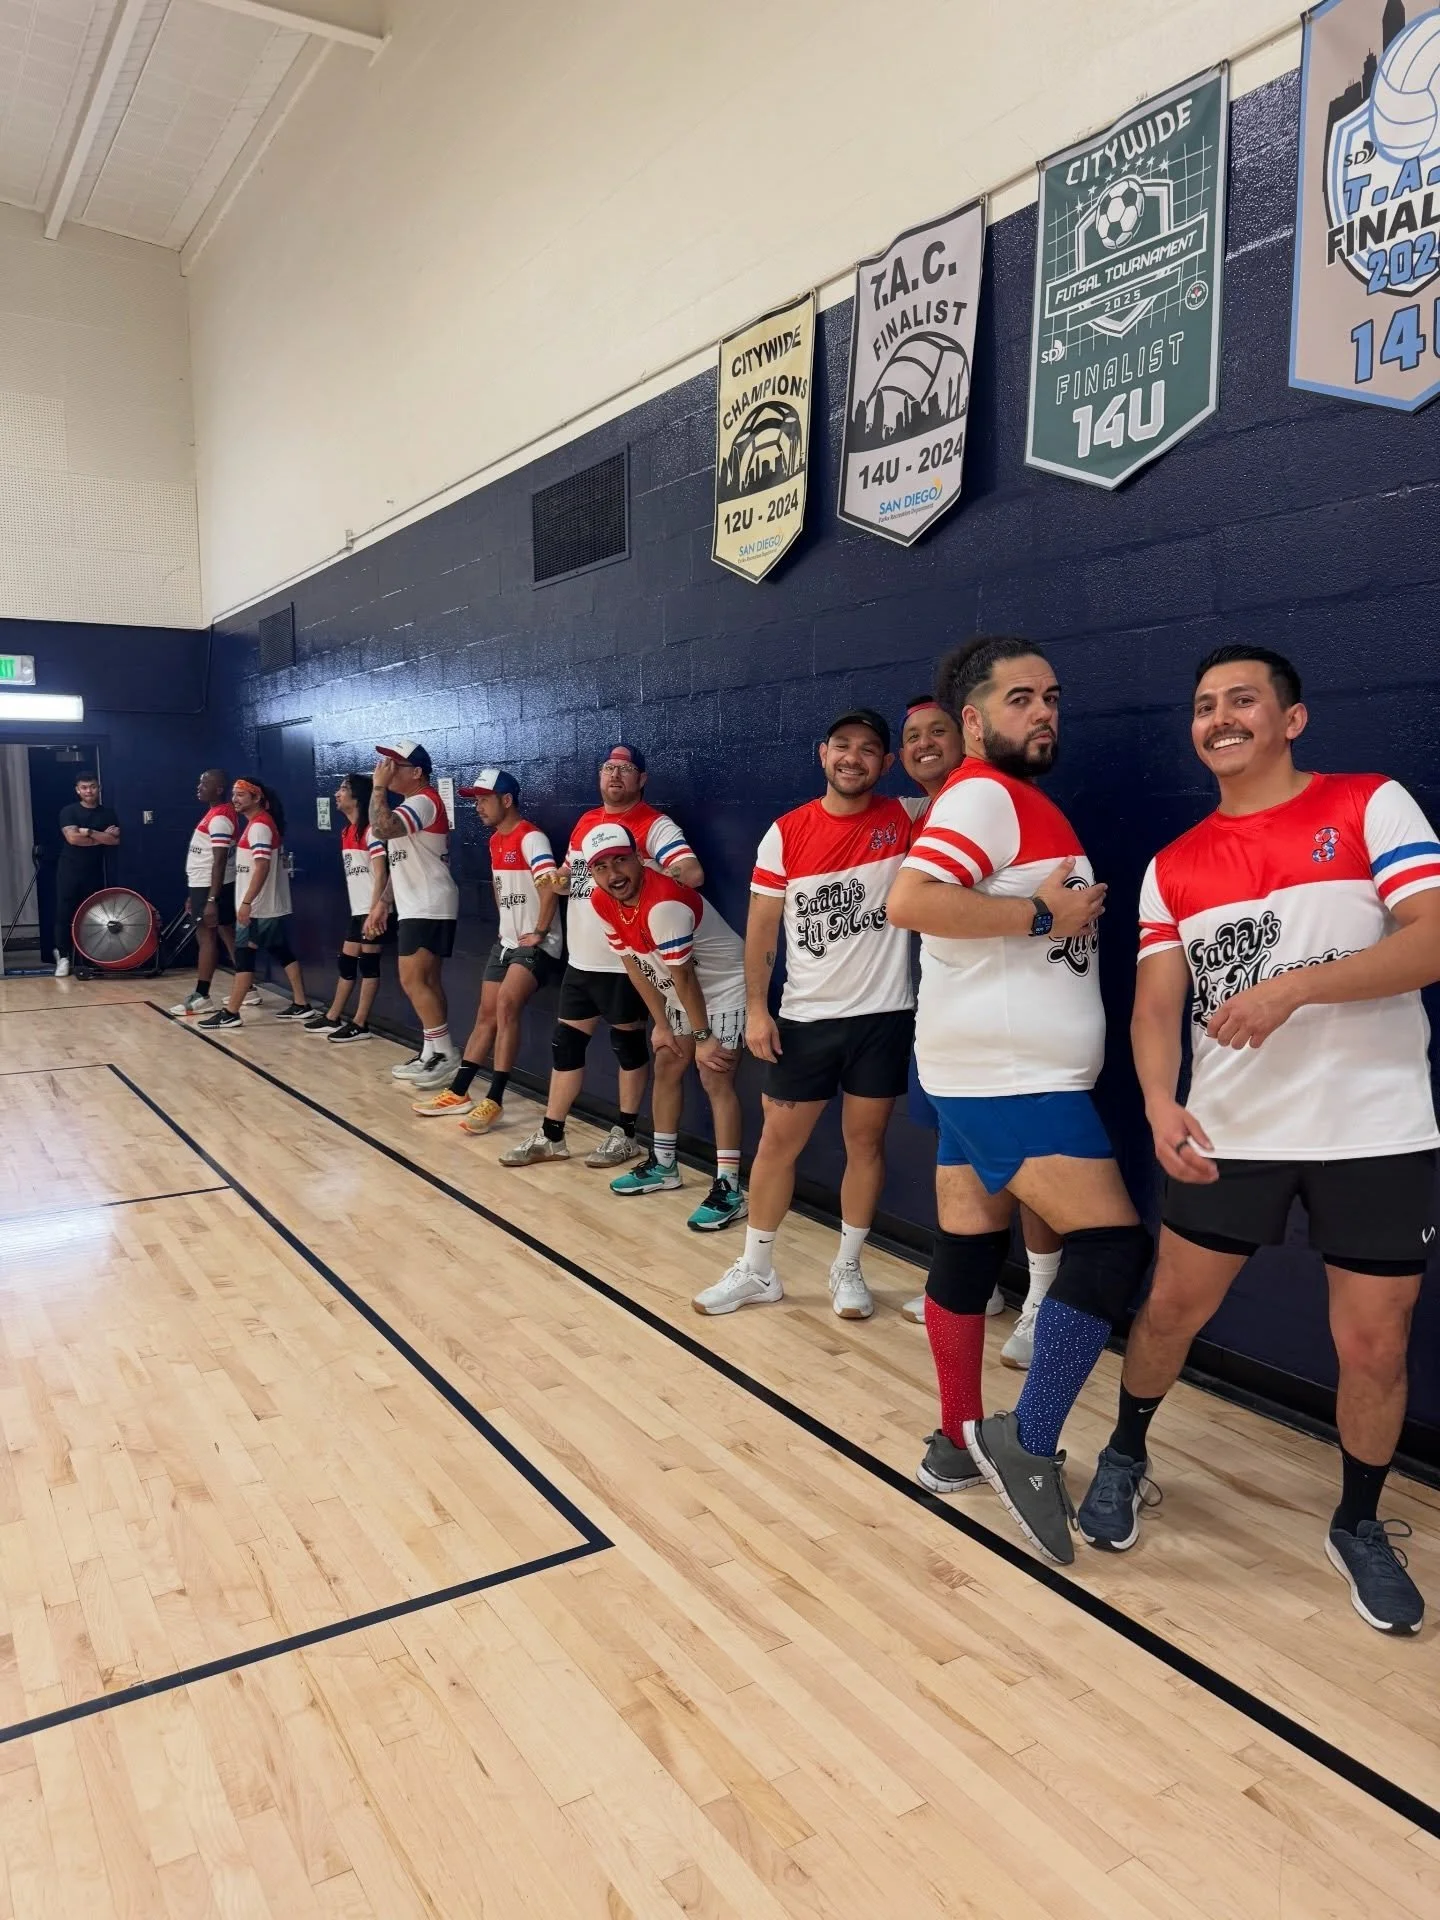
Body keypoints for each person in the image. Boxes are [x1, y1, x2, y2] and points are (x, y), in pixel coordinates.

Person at [1077, 645, 1440, 1636]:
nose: (1221, 717)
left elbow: (1433, 936)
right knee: (1167, 1314)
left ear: (1293, 719)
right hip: (1229, 1130)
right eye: (1204, 705)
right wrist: (1157, 1104)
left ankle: (1359, 1523)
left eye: (1244, 700)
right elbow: (1156, 1008)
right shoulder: (1174, 865)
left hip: (1376, 1132)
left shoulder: (1371, 806)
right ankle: (1125, 1454)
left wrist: (1289, 988)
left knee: (1373, 1345)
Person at [886, 636, 1145, 1563]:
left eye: (1053, 698)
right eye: (1022, 699)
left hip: (988, 1069)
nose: (1044, 713)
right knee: (1112, 1245)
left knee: (964, 1246)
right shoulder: (984, 794)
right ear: (974, 720)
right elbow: (911, 902)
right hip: (1007, 1075)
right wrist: (1044, 915)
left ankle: (959, 1437)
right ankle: (1026, 1443)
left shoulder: (1021, 803)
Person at [693, 708, 915, 1318]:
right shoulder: (786, 832)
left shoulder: (907, 818)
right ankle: (757, 1270)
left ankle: (848, 1267)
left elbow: (956, 785)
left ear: (886, 763)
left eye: (869, 749)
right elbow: (762, 928)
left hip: (885, 1016)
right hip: (806, 1019)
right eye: (841, 745)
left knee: (864, 1145)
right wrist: (758, 1011)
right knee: (776, 1147)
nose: (853, 757)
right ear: (823, 754)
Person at [897, 694, 1063, 1352]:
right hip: (945, 1018)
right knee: (963, 1164)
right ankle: (983, 1285)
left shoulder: (992, 801)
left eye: (938, 730)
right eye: (912, 736)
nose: (924, 743)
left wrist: (1039, 917)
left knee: (1030, 1167)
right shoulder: (919, 815)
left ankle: (1043, 1297)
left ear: (968, 732)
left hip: (1011, 1028)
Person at [499, 743, 704, 1170]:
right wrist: (557, 879)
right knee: (566, 1044)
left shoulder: (655, 825)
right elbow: (568, 875)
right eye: (608, 768)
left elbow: (691, 874)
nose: (615, 776)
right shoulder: (586, 823)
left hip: (626, 962)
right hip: (583, 959)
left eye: (625, 770)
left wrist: (647, 872)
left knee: (627, 1046)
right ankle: (552, 1134)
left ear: (641, 779)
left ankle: (626, 1134)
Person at [584, 822, 749, 1231]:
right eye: (602, 867)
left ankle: (729, 1188)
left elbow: (687, 976)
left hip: (723, 987)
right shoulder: (604, 902)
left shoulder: (665, 905)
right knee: (667, 1064)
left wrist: (704, 1037)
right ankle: (664, 1165)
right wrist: (660, 1024)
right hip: (679, 987)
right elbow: (634, 965)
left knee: (715, 1077)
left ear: (639, 859)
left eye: (620, 860)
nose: (614, 874)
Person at [412, 768, 562, 1132]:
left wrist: (540, 932)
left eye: (484, 799)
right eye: (475, 800)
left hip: (540, 944)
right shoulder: (496, 840)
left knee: (507, 1004)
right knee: (485, 1014)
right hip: (507, 942)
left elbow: (549, 888)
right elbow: (499, 888)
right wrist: (504, 929)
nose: (477, 807)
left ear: (506, 800)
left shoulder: (532, 838)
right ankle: (460, 1091)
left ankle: (494, 1099)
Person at [368, 740, 461, 1089]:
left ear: (417, 772)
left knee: (413, 980)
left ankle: (446, 1055)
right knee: (428, 981)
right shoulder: (414, 803)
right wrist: (384, 901)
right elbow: (401, 861)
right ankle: (431, 1052)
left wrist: (377, 787)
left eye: (395, 765)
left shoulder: (423, 800)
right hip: (419, 904)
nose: (387, 769)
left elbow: (382, 828)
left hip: (428, 904)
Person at [199, 780, 311, 1026]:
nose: (235, 799)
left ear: (256, 798)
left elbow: (262, 866)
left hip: (259, 907)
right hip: (264, 906)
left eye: (241, 795)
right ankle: (302, 1003)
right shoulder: (257, 824)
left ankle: (231, 1012)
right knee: (280, 951)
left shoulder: (260, 827)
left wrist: (247, 902)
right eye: (233, 795)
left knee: (244, 955)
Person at [303, 773, 391, 1041]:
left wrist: (375, 911)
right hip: (358, 911)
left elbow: (381, 874)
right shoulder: (347, 832)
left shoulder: (372, 831)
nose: (337, 794)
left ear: (358, 797)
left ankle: (361, 1023)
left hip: (373, 911)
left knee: (369, 964)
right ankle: (333, 1016)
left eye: (343, 789)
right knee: (347, 963)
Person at [171, 768, 253, 1017]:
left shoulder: (220, 818)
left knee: (206, 938)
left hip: (209, 887)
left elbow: (218, 862)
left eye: (204, 783)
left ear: (219, 789)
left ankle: (202, 995)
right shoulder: (216, 813)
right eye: (199, 781)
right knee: (227, 932)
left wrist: (210, 900)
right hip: (204, 886)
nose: (199, 787)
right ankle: (247, 987)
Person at [53, 771, 119, 977]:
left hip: (94, 870)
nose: (88, 791)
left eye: (92, 786)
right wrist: (101, 836)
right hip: (69, 869)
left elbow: (114, 841)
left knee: (93, 914)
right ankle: (63, 957)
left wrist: (88, 832)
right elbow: (72, 839)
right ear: (77, 790)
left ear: (99, 788)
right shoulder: (69, 811)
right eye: (84, 787)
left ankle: (91, 957)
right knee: (65, 912)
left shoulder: (108, 813)